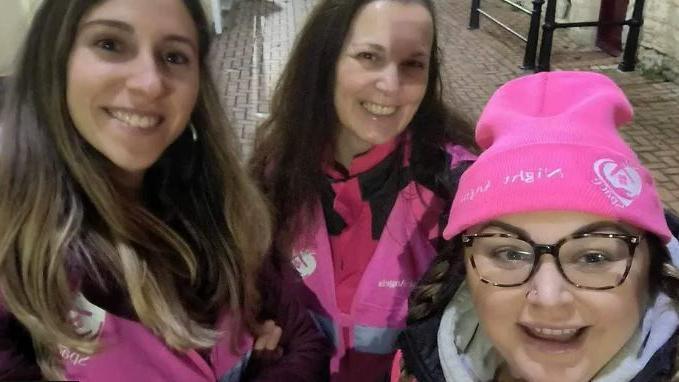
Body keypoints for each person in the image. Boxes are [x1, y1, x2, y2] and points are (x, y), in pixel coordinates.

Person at [0, 0, 328, 380]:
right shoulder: (16, 257)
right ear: (53, 61)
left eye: (174, 56)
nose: (150, 82)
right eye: (110, 44)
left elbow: (306, 342)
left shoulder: (223, 206)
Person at [394, 71, 679, 382]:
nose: (548, 298)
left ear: (653, 270)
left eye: (593, 258)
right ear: (464, 267)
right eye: (509, 253)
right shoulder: (417, 364)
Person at [249, 0, 476, 380]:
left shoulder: (458, 192)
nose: (391, 85)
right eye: (369, 56)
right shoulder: (271, 178)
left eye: (413, 64)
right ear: (325, 62)